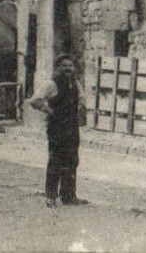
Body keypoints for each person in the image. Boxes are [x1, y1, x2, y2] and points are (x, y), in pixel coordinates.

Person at [30, 53, 85, 207]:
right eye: (64, 66)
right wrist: (50, 111)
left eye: (70, 66)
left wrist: (79, 109)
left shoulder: (75, 84)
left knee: (72, 161)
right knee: (55, 161)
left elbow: (82, 99)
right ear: (58, 68)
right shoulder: (51, 84)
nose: (68, 69)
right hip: (57, 128)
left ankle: (68, 196)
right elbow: (35, 100)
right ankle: (51, 196)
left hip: (72, 127)